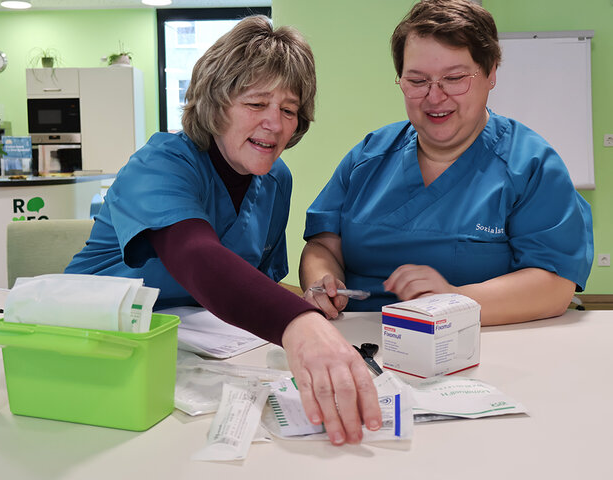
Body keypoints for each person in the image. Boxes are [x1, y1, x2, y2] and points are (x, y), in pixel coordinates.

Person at [65, 16, 381, 445]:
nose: (275, 124)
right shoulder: (161, 163)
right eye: (256, 103)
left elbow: (251, 281)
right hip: (93, 344)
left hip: (188, 353)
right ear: (215, 104)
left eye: (289, 110)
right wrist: (300, 324)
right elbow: (197, 256)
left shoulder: (276, 180)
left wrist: (306, 298)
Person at [300, 0, 593, 326]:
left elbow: (555, 287)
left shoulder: (530, 166)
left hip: (479, 342)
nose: (435, 97)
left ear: (491, 73)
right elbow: (323, 245)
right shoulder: (369, 158)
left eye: (454, 78)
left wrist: (454, 300)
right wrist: (323, 282)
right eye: (417, 81)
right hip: (360, 342)